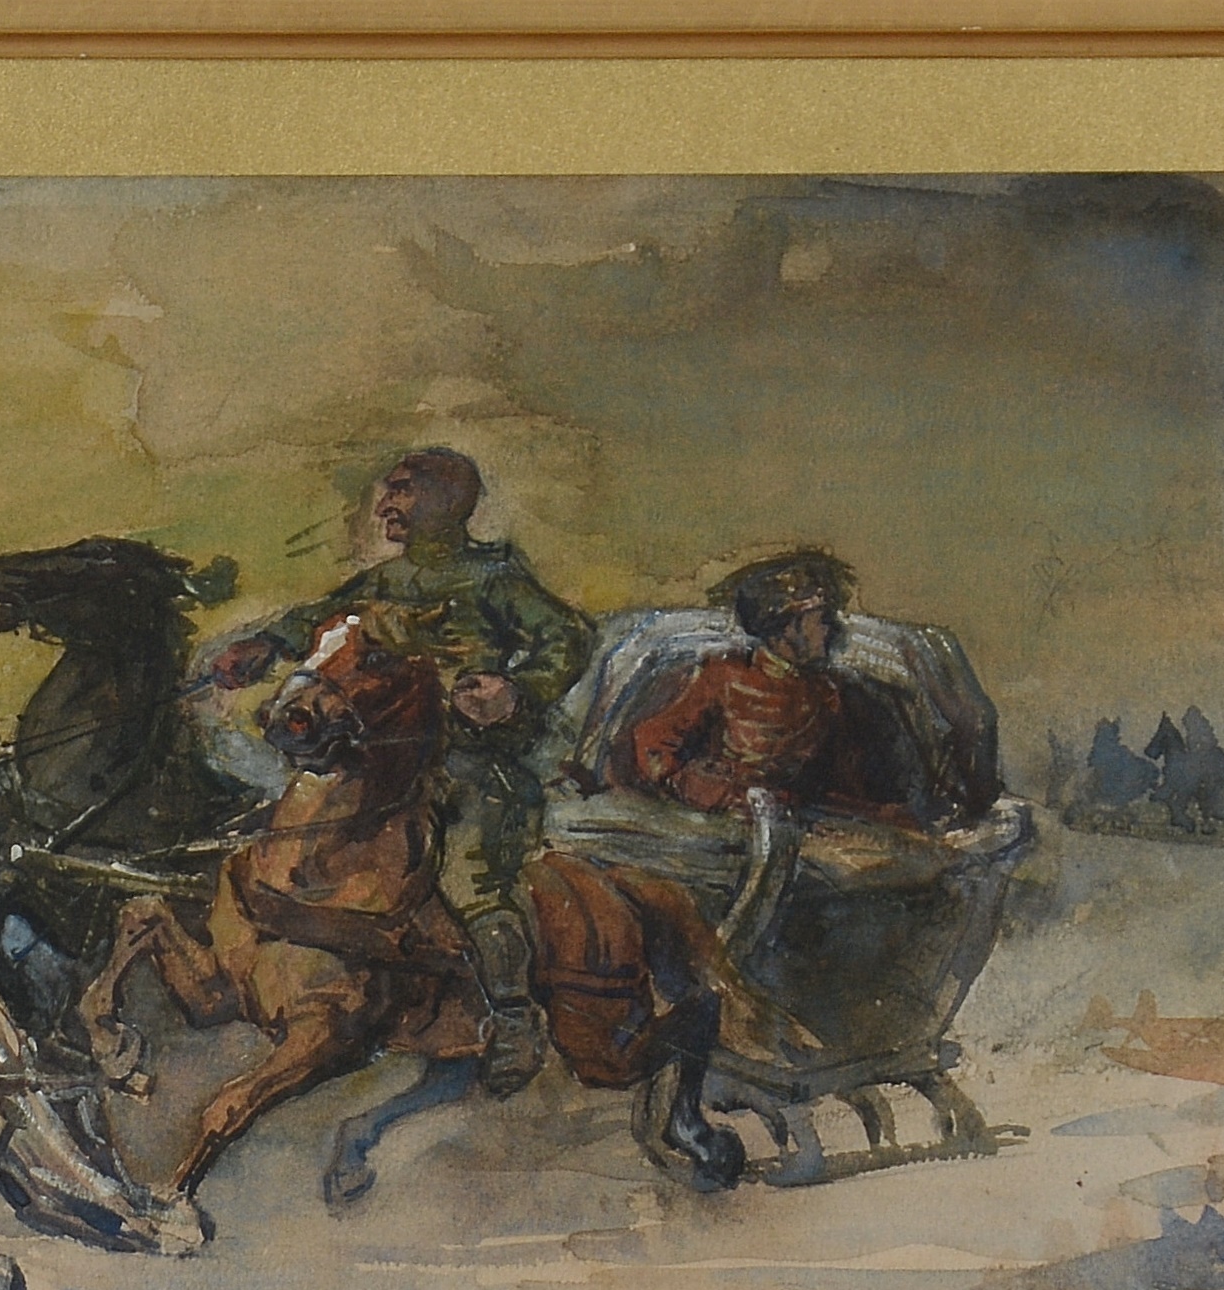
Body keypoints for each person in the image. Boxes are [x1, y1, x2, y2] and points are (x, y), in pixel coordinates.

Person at [201, 448, 594, 1088]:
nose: (385, 504)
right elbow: (317, 621)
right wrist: (264, 645)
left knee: (470, 876)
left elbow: (568, 637)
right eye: (389, 491)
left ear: (447, 500)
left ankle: (515, 1017)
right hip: (381, 759)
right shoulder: (385, 582)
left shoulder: (494, 579)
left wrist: (516, 690)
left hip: (467, 762)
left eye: (403, 491)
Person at [619, 547, 941, 826]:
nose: (833, 630)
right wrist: (704, 789)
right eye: (822, 619)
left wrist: (885, 815)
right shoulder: (723, 675)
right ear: (788, 628)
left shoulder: (830, 694)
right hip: (718, 824)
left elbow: (842, 788)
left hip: (793, 825)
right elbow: (652, 743)